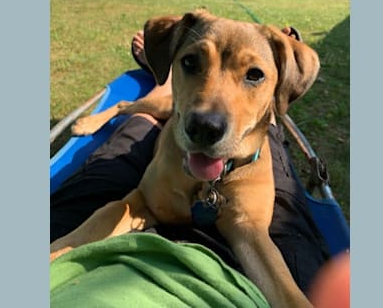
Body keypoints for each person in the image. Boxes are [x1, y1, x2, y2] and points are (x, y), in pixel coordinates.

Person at [50, 28, 333, 294]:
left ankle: (265, 95)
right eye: (192, 63)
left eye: (253, 74)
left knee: (265, 125)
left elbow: (254, 239)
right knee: (152, 112)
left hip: (249, 156)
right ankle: (136, 97)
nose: (209, 118)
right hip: (175, 131)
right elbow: (137, 206)